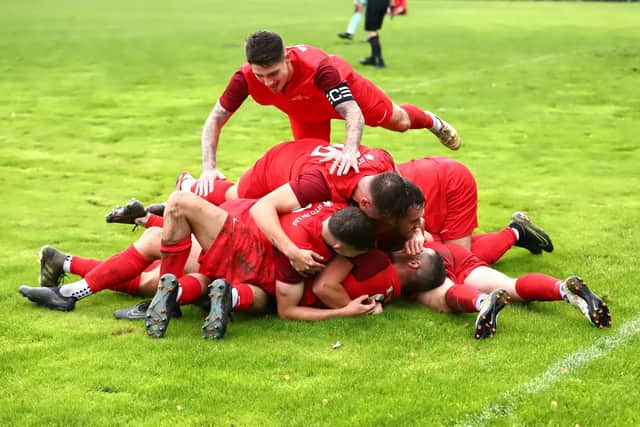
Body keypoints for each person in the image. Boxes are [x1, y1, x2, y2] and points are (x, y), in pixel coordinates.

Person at [196, 29, 461, 195]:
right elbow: (215, 118)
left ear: (287, 58)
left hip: (347, 96)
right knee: (312, 171)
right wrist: (209, 168)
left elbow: (352, 113)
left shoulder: (319, 68)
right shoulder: (244, 78)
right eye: (260, 75)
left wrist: (349, 151)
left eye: (274, 73)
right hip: (303, 112)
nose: (268, 82)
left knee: (399, 121)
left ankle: (431, 121)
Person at [390, 242, 612, 339]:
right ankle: (562, 289)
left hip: (426, 267)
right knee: (513, 286)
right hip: (449, 253)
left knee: (444, 298)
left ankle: (481, 302)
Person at [360, 0, 391, 68]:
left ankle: (379, 61)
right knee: (372, 30)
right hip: (381, 3)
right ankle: (373, 58)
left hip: (375, 3)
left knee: (372, 30)